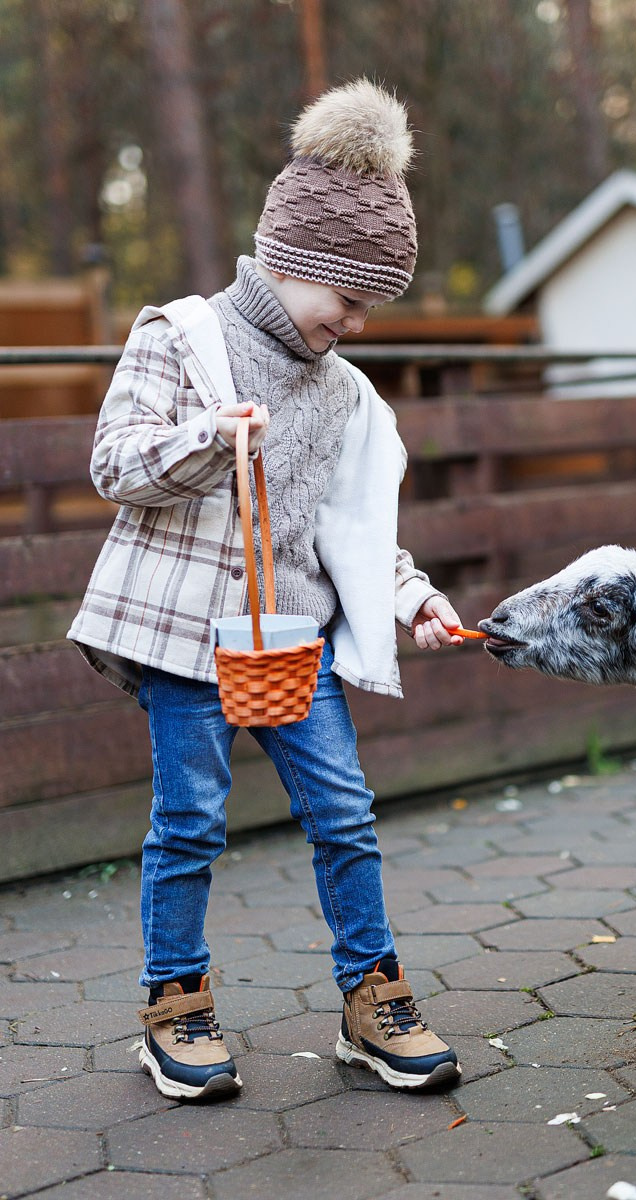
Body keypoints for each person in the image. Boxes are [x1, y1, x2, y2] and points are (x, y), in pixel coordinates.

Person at [68, 79, 465, 1100]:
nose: (360, 324)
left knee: (344, 813)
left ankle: (370, 998)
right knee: (190, 817)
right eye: (352, 299)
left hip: (297, 637)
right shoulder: (179, 337)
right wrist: (212, 439)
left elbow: (352, 526)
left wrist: (411, 596)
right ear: (296, 266)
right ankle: (175, 1002)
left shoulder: (341, 393)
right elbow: (113, 464)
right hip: (188, 639)